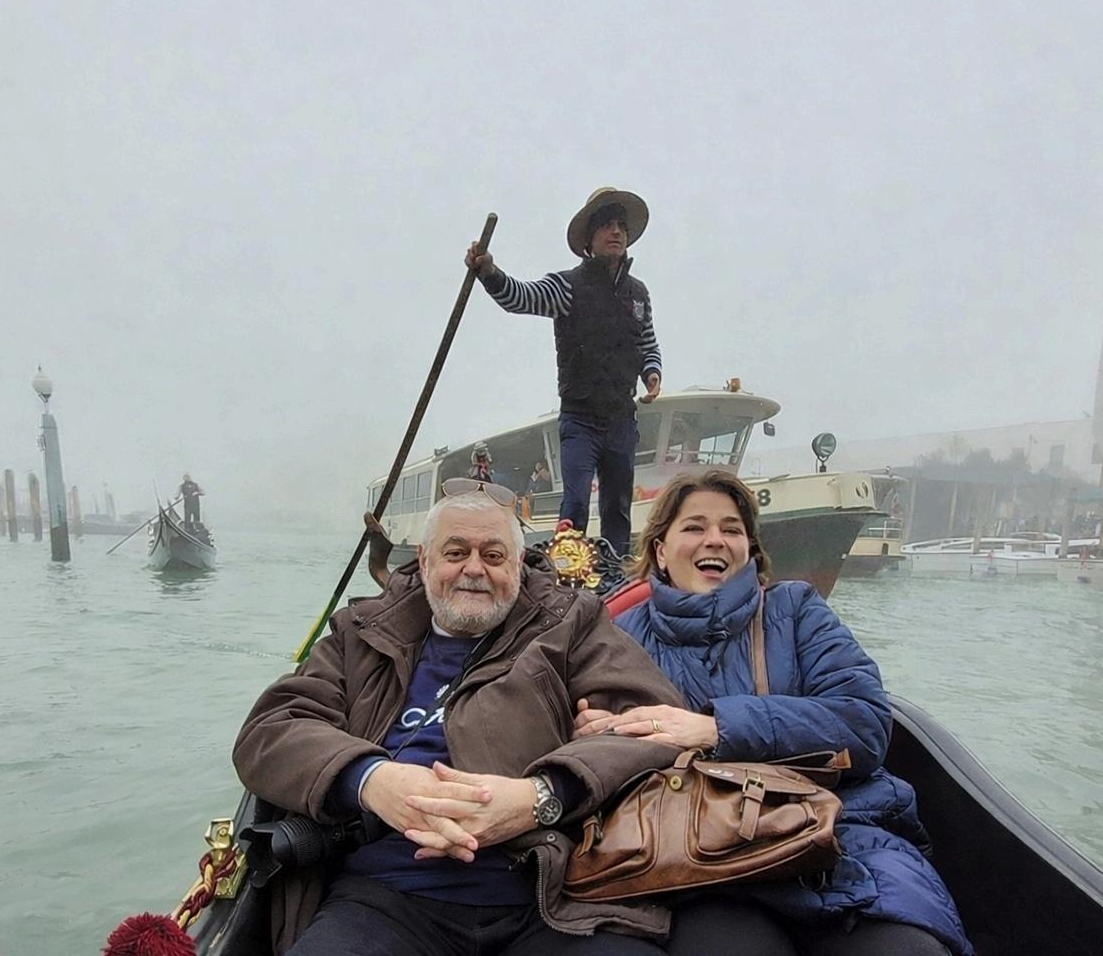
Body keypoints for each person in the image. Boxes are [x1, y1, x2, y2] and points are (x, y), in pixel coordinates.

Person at [232, 481, 688, 956]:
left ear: (518, 564)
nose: (474, 568)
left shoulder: (571, 625)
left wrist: (539, 797)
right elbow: (272, 728)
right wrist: (373, 781)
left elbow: (658, 725)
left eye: (493, 556)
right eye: (456, 553)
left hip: (550, 892)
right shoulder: (360, 634)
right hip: (385, 898)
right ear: (425, 561)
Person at [575, 470, 972, 956]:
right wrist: (598, 735)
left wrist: (716, 728)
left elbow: (864, 724)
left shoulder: (798, 610)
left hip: (840, 829)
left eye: (732, 529)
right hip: (698, 853)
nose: (715, 539)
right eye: (695, 526)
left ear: (748, 549)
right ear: (660, 550)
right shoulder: (620, 638)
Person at [467, 187, 662, 559]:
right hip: (580, 419)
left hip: (622, 418)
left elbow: (647, 344)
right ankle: (564, 572)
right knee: (575, 503)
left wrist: (651, 373)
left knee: (618, 507)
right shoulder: (566, 287)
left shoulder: (638, 294)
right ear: (589, 239)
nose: (616, 232)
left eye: (621, 226)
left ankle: (616, 570)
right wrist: (489, 272)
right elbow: (519, 297)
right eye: (606, 226)